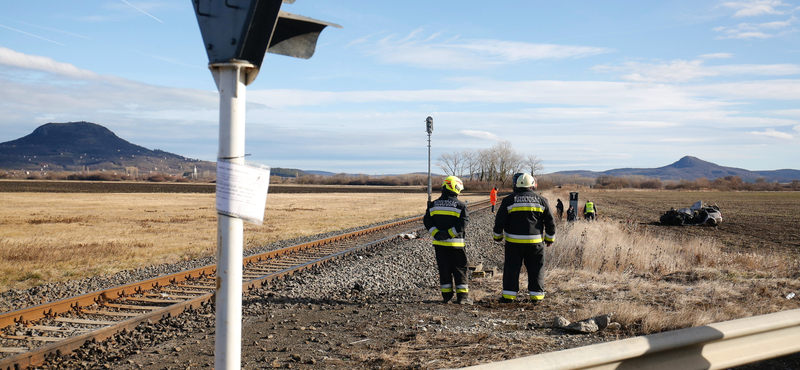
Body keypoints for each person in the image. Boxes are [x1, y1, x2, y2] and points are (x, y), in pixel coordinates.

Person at [492, 173, 556, 304]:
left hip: (513, 243)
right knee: (536, 268)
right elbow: (550, 222)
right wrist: (549, 239)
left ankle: (509, 296)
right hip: (535, 244)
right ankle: (537, 297)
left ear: (517, 184)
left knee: (512, 268)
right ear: (532, 185)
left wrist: (497, 236)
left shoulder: (509, 200)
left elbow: (500, 221)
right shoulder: (542, 200)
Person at [423, 176, 472, 305]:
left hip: (439, 244)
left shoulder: (433, 205)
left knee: (444, 269)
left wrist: (438, 234)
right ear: (455, 188)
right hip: (456, 245)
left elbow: (427, 221)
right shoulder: (460, 206)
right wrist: (449, 234)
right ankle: (462, 298)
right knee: (460, 269)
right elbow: (463, 224)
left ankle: (447, 297)